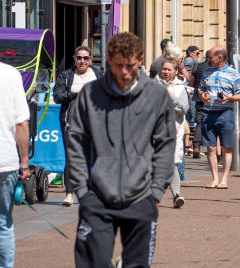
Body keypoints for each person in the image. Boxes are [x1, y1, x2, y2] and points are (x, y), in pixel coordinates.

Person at [66, 32, 174, 268]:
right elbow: (76, 142)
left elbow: (165, 145)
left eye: (130, 65)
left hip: (141, 196)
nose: (124, 72)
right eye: (118, 65)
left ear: (141, 60)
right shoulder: (90, 94)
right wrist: (82, 190)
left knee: (136, 264)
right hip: (96, 196)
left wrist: (156, 190)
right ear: (108, 59)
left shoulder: (155, 96)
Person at [53, 44, 102, 207]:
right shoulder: (66, 76)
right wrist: (76, 93)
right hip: (71, 123)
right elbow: (57, 96)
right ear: (74, 59)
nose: (82, 61)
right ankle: (69, 194)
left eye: (86, 58)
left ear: (90, 60)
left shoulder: (98, 74)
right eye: (79, 58)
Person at [197, 46, 240, 188]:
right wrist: (203, 95)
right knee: (210, 148)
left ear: (220, 58)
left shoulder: (233, 73)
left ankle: (224, 179)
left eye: (210, 57)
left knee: (226, 147)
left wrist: (229, 97)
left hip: (225, 113)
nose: (207, 59)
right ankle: (214, 178)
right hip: (208, 112)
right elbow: (201, 89)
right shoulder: (207, 71)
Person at [0, 55, 30, 267]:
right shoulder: (10, 74)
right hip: (5, 159)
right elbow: (21, 124)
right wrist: (25, 162)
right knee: (3, 223)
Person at [157, 57, 190, 208]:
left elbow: (184, 108)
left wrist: (172, 99)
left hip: (172, 131)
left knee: (171, 163)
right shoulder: (153, 85)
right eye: (164, 69)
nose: (166, 72)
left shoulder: (179, 88)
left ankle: (176, 195)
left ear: (176, 71)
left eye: (169, 69)